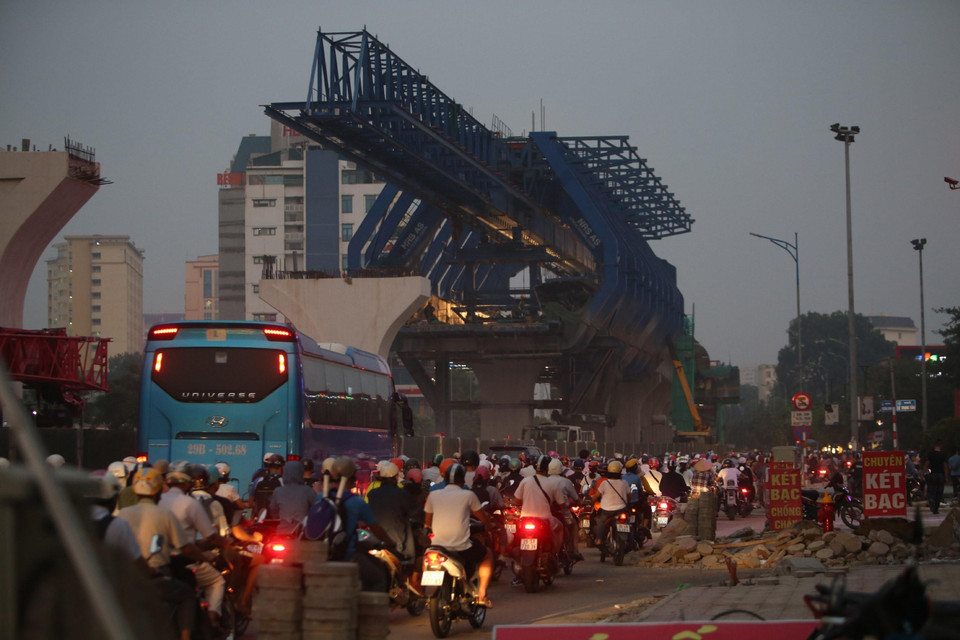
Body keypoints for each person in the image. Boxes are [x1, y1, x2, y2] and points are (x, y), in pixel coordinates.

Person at [117, 467, 207, 640]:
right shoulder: (164, 514)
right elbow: (186, 548)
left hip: (126, 577)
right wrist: (204, 558)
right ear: (158, 490)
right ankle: (185, 636)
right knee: (188, 594)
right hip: (156, 575)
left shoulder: (123, 514)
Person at [160, 467, 228, 631]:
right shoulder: (192, 503)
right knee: (217, 581)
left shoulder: (159, 502)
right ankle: (212, 618)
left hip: (161, 562)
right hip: (185, 560)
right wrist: (224, 544)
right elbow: (209, 537)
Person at [424, 463, 494, 608]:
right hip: (461, 547)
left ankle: (427, 596)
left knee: (427, 560)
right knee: (487, 555)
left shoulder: (433, 495)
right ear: (462, 480)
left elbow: (427, 522)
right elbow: (481, 516)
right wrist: (489, 527)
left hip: (437, 546)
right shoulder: (468, 495)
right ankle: (482, 595)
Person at [326, 456, 396, 592]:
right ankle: (372, 612)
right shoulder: (356, 502)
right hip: (348, 556)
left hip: (323, 554)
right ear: (353, 476)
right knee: (379, 576)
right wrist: (390, 543)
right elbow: (376, 529)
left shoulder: (322, 498)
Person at [514, 456, 567, 553]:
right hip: (546, 519)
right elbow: (562, 503)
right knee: (560, 528)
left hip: (525, 518)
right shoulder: (553, 483)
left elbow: (517, 500)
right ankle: (556, 553)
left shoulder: (526, 480)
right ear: (548, 468)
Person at [269, 460, 317, 536]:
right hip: (302, 533)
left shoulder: (278, 491)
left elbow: (273, 511)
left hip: (282, 532)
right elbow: (315, 510)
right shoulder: (308, 491)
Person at [593, 460, 630, 546]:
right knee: (628, 522)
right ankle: (630, 540)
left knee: (601, 522)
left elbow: (596, 496)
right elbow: (629, 496)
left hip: (606, 510)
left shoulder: (604, 483)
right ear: (620, 472)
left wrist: (592, 501)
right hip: (621, 509)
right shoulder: (624, 483)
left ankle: (598, 539)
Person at [925, 441, 948, 515]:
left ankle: (931, 501)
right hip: (940, 475)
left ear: (934, 445)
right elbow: (945, 467)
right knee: (939, 492)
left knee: (931, 490)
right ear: (941, 446)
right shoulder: (943, 455)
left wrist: (922, 474)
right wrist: (946, 477)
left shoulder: (930, 454)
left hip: (932, 475)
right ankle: (936, 509)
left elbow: (926, 465)